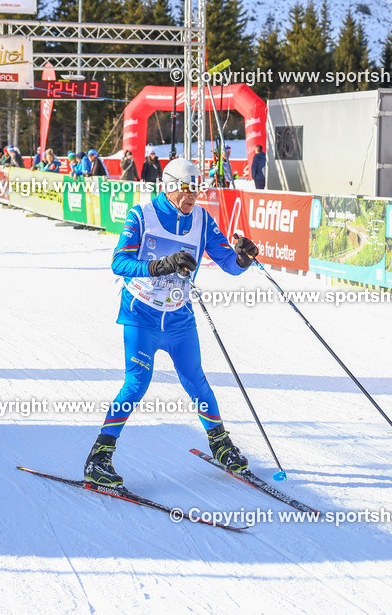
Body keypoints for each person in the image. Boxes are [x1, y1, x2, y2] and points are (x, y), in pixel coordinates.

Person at [84, 157, 260, 487]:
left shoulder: (202, 220)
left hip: (179, 318)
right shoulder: (142, 215)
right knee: (136, 383)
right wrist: (159, 266)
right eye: (185, 189)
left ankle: (220, 444)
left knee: (196, 380)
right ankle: (99, 457)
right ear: (168, 186)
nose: (192, 196)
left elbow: (229, 264)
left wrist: (243, 256)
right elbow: (118, 262)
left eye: (196, 189)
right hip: (142, 315)